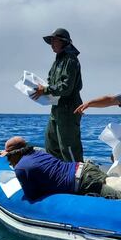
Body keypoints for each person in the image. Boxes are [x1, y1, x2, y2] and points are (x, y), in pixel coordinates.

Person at [0, 136, 121, 203]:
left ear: (14, 154)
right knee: (114, 185)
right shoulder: (38, 152)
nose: (9, 161)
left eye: (8, 157)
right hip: (85, 167)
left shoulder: (20, 168)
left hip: (83, 182)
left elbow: (32, 196)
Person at [31, 28, 84, 163]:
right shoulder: (58, 61)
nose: (52, 44)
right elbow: (50, 81)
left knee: (69, 147)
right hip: (57, 108)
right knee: (51, 144)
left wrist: (45, 90)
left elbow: (66, 88)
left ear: (63, 42)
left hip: (69, 109)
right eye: (51, 41)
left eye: (54, 40)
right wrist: (43, 89)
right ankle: (58, 175)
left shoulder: (70, 60)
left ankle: (76, 178)